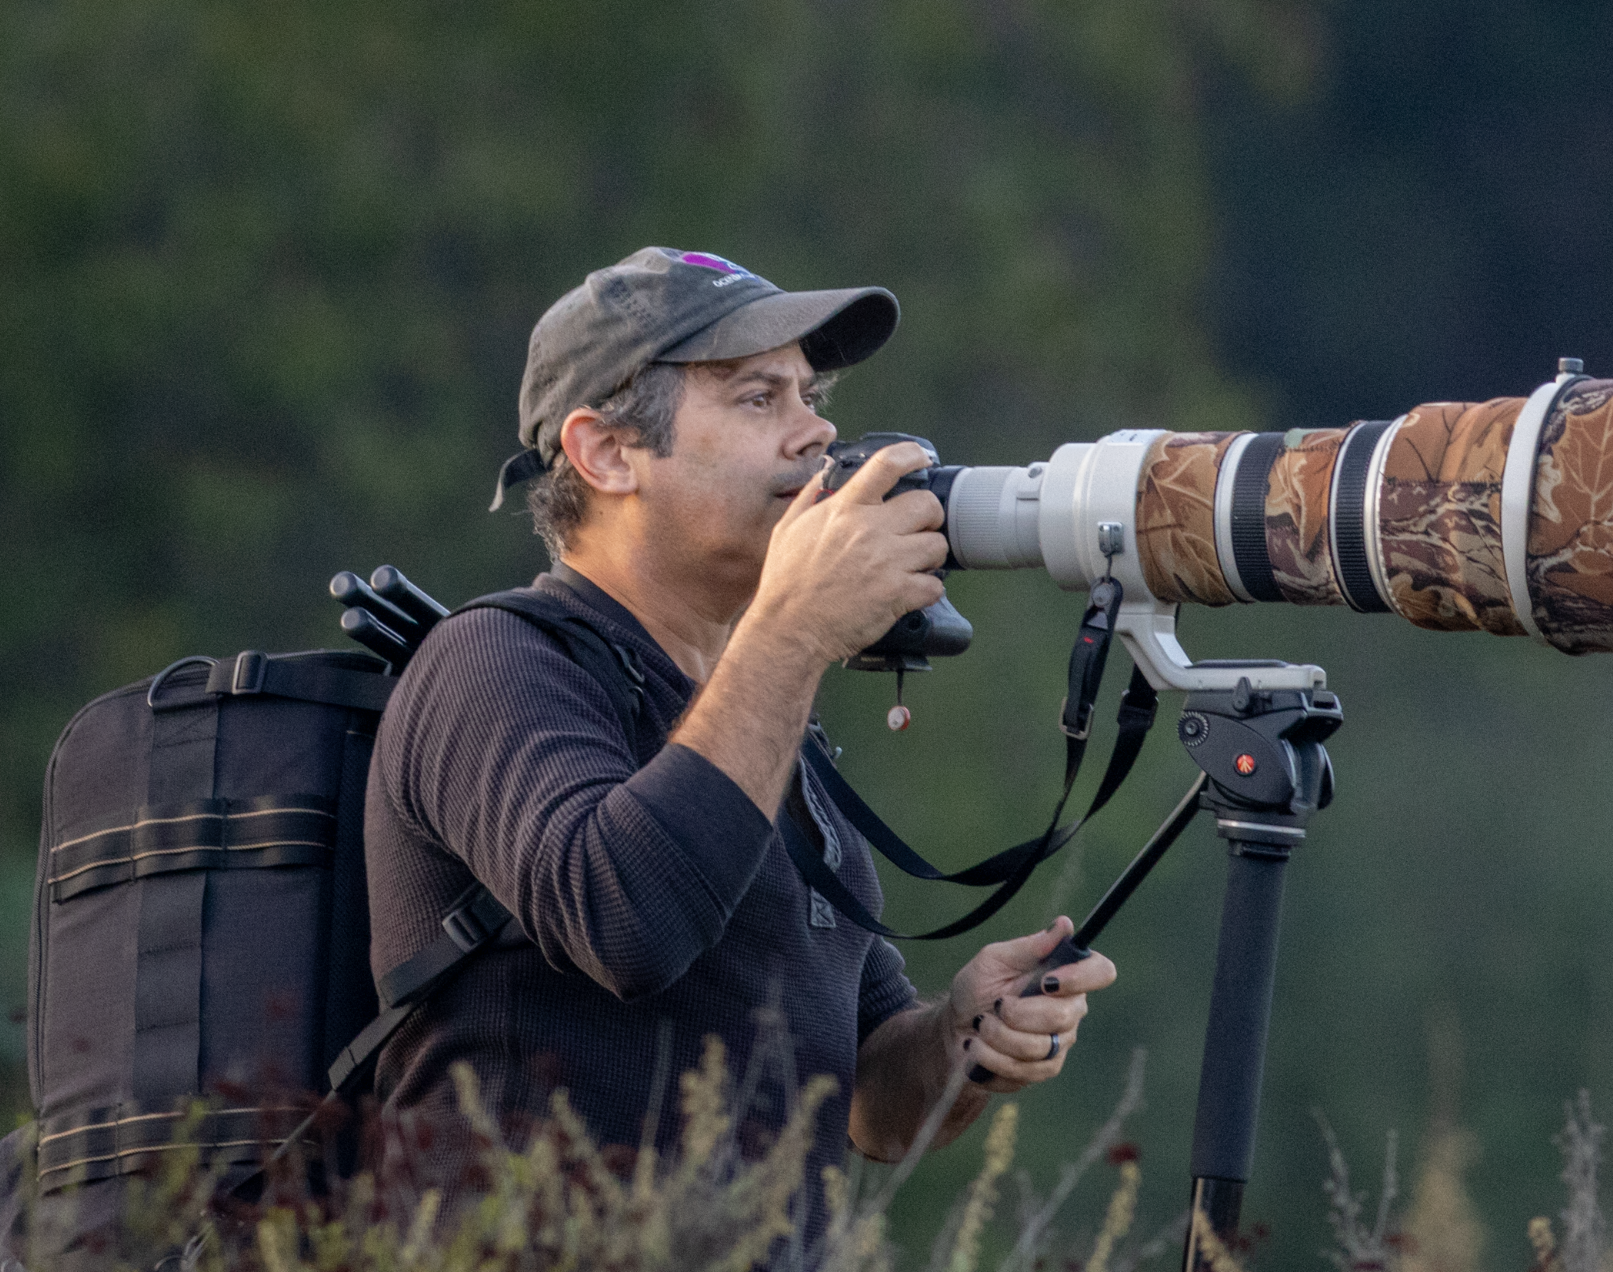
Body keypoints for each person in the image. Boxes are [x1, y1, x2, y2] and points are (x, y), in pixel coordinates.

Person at [362, 246, 1116, 1228]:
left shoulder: (761, 719)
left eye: (811, 393)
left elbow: (871, 1107)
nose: (818, 433)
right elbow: (623, 919)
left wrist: (958, 1039)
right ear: (606, 452)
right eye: (760, 398)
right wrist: (793, 629)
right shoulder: (494, 664)